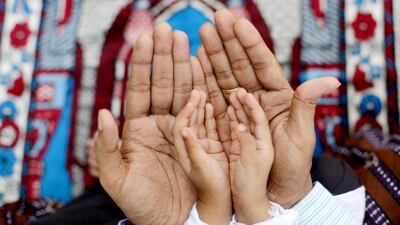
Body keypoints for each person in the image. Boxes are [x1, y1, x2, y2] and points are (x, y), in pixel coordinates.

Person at [94, 10, 365, 225]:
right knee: (333, 175)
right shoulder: (338, 184)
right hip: (307, 197)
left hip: (154, 195)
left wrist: (206, 212)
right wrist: (269, 204)